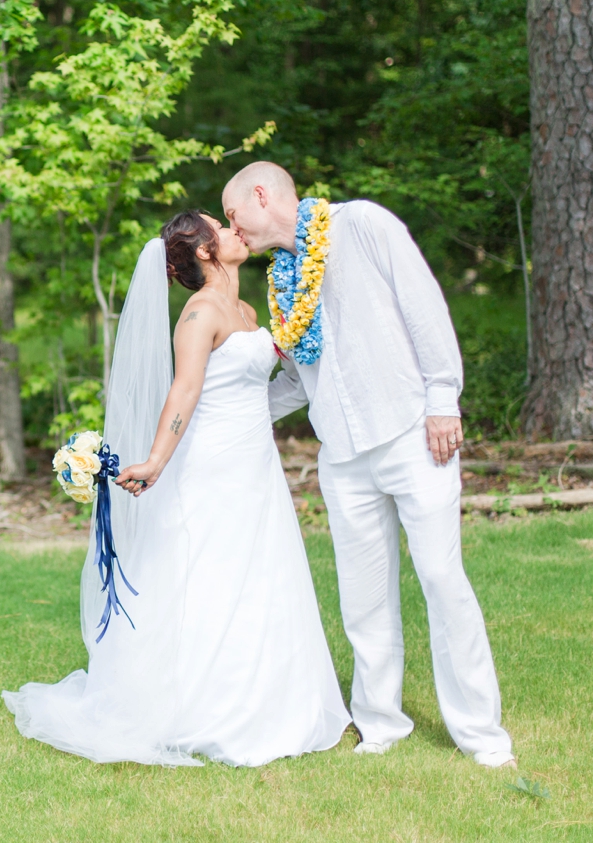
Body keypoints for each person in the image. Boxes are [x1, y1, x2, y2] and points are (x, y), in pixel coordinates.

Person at [1, 213, 350, 766]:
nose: (238, 230)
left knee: (261, 573)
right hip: (210, 466)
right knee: (211, 574)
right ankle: (198, 708)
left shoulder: (247, 311)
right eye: (224, 228)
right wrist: (158, 460)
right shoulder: (198, 314)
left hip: (254, 465)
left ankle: (270, 702)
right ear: (208, 252)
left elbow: (256, 392)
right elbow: (183, 392)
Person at [221, 160, 515, 769]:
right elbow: (300, 383)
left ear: (259, 195)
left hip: (413, 433)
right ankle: (381, 723)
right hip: (344, 458)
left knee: (441, 579)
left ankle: (481, 735)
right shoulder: (279, 283)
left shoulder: (361, 225)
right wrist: (228, 410)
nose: (232, 228)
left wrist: (442, 398)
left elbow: (424, 307)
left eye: (231, 215)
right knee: (362, 598)